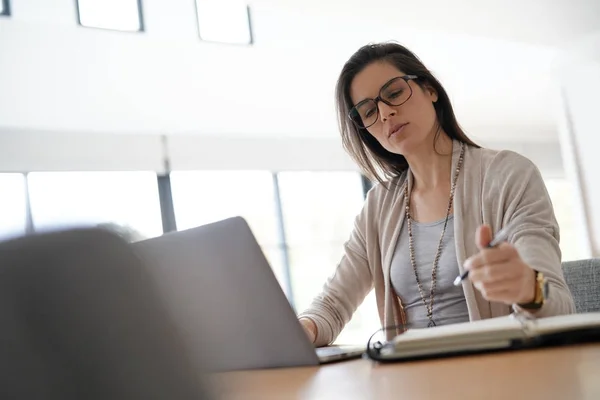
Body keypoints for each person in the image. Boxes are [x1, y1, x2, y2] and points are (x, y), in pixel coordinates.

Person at [297, 42, 575, 347]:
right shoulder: (378, 207)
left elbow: (560, 306)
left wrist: (529, 288)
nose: (386, 112)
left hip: (501, 375)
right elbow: (333, 305)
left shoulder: (509, 175)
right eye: (368, 111)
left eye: (393, 93)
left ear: (430, 89)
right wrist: (304, 328)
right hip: (413, 380)